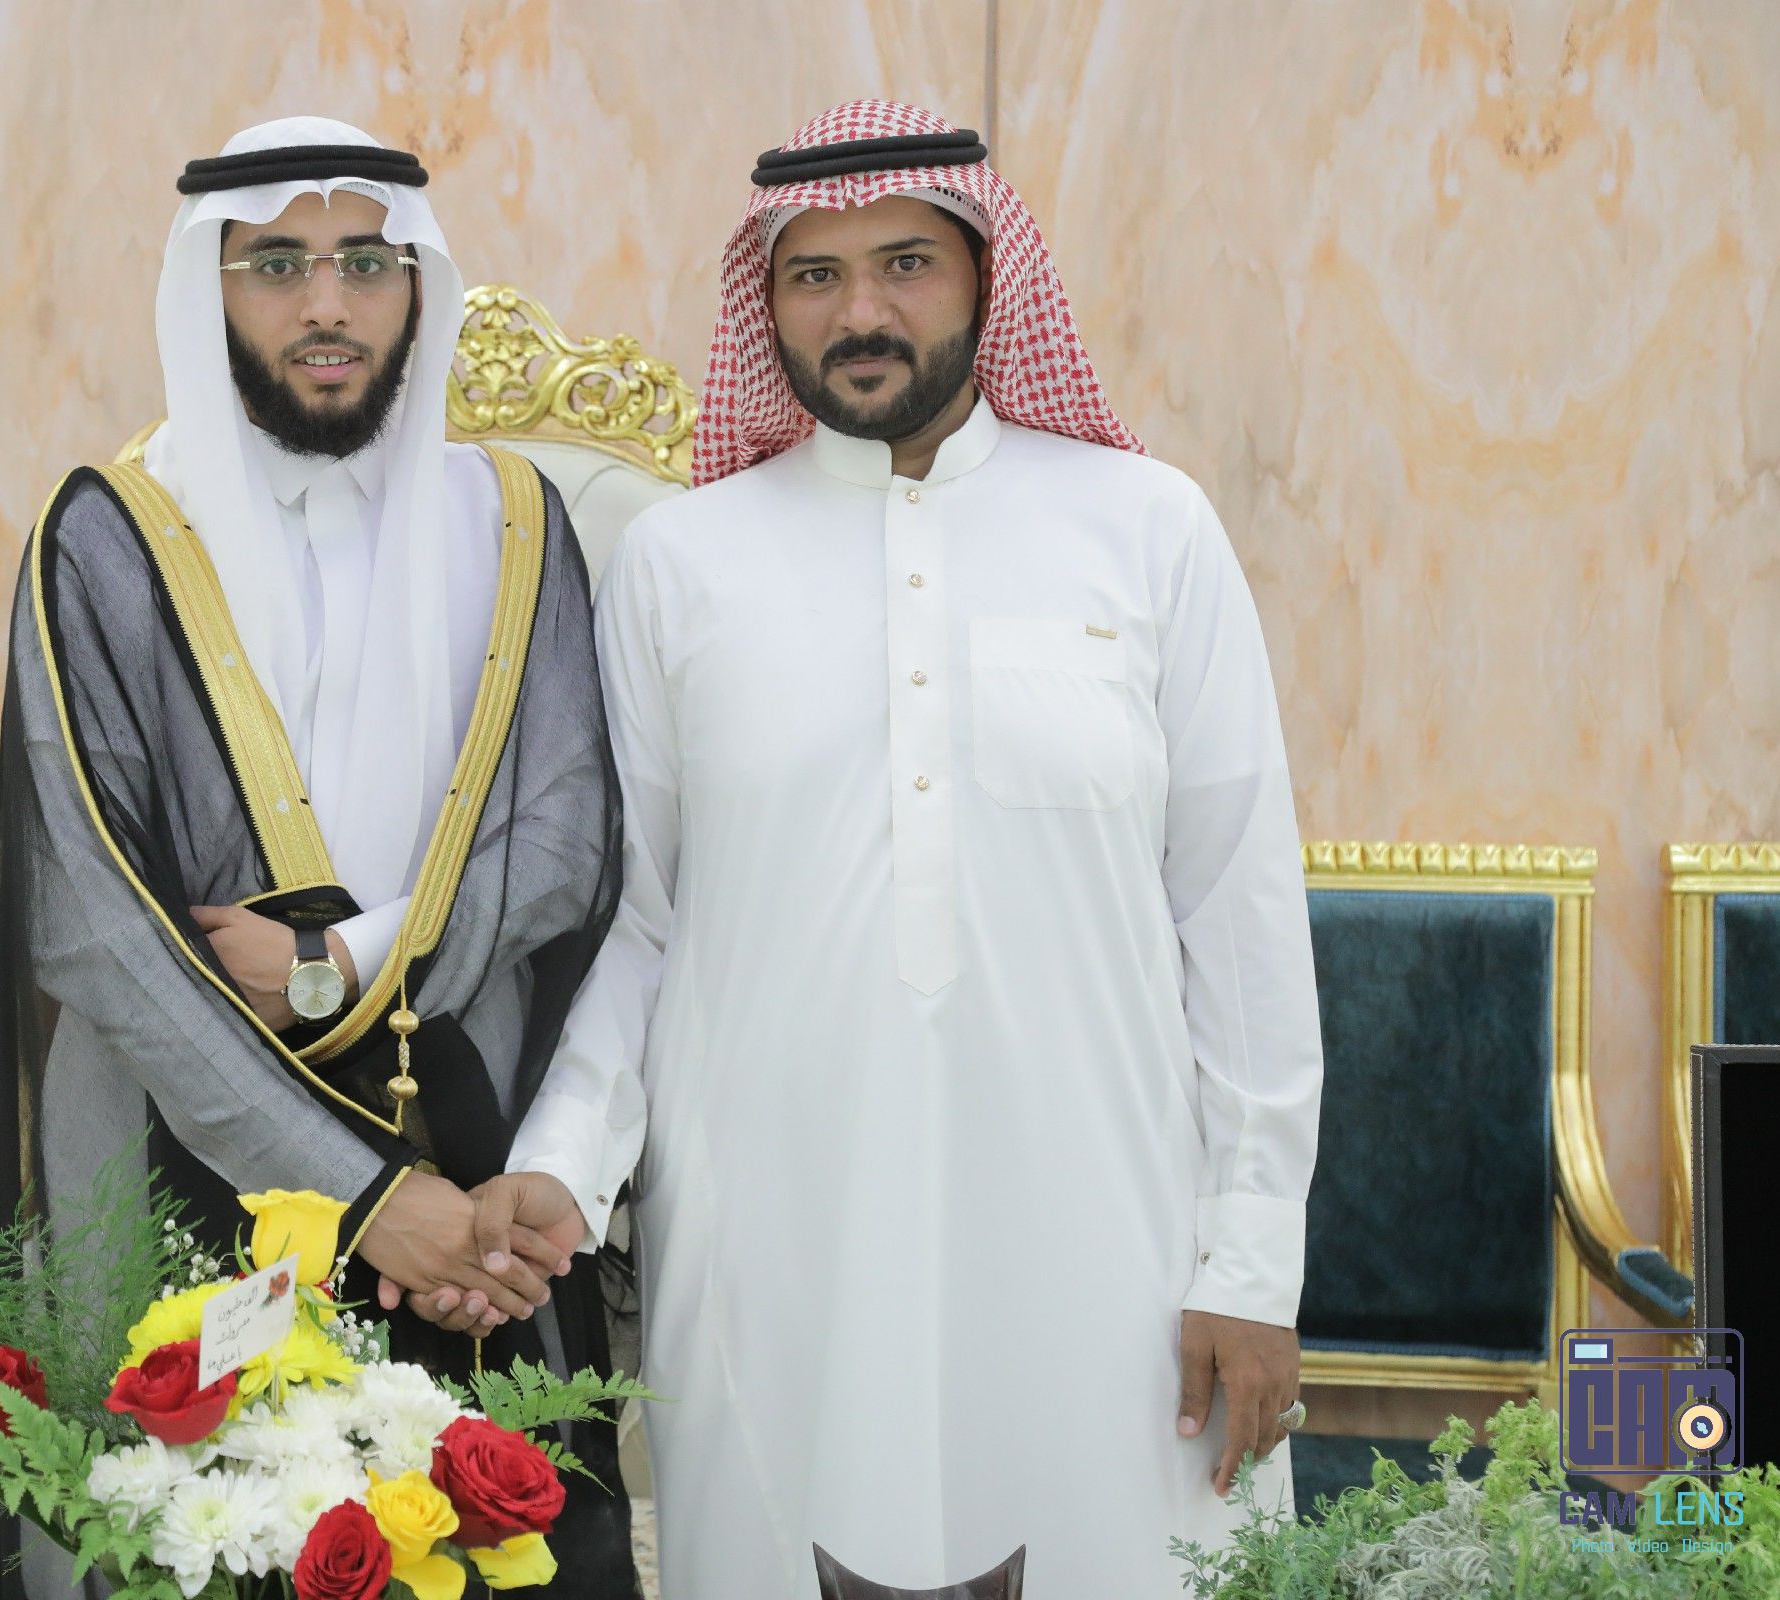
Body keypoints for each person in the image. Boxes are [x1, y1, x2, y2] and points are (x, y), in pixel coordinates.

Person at [482, 99, 1325, 1596]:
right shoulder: (683, 563)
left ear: (990, 278)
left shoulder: (1149, 530)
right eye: (815, 275)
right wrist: (563, 1163)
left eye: (906, 264)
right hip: (774, 1234)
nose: (860, 311)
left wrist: (1251, 1266)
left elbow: (1239, 917)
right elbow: (641, 922)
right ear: (768, 304)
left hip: (1106, 1236)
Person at [0, 116, 637, 1596]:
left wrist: (339, 960)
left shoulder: (514, 525)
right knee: (176, 1546)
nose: (326, 304)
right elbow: (90, 922)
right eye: (276, 264)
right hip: (170, 1145)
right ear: (207, 287)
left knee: (464, 1548)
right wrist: (365, 1197)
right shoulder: (107, 538)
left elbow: (565, 843)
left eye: (364, 263)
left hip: (468, 1173)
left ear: (416, 284)